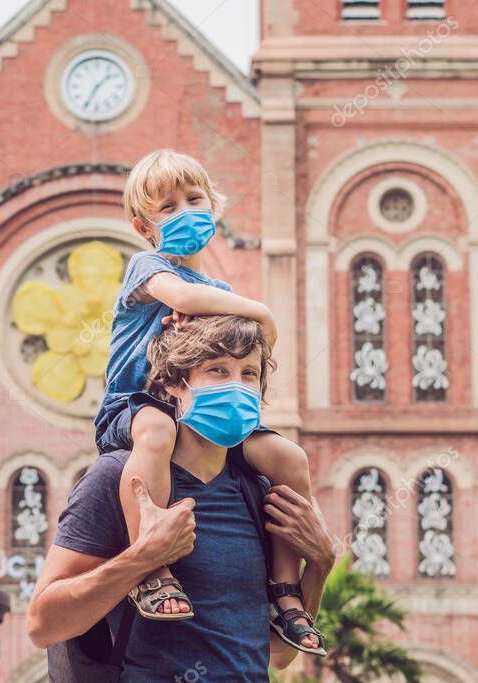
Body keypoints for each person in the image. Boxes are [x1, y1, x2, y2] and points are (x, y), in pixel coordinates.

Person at [93, 149, 321, 652]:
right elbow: (187, 301)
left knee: (288, 457)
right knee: (157, 430)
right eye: (167, 207)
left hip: (199, 413)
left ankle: (284, 592)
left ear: (213, 206)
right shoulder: (148, 268)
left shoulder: (217, 288)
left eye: (194, 199)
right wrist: (257, 309)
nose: (185, 212)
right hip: (135, 405)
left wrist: (248, 325)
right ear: (142, 225)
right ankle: (151, 567)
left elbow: (255, 348)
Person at [27, 316, 335, 680]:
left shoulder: (260, 493)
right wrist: (143, 558)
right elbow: (42, 625)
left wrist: (319, 565)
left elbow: (279, 655)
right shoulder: (118, 478)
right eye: (218, 371)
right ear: (175, 383)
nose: (236, 386)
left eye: (249, 374)